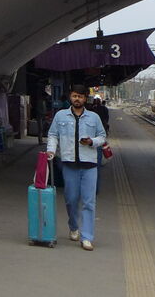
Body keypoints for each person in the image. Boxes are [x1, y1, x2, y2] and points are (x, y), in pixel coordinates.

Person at [46, 83, 106, 250]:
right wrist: (51, 150)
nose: (77, 99)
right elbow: (53, 135)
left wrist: (92, 141)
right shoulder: (60, 116)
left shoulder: (94, 117)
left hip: (90, 165)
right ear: (70, 97)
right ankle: (73, 226)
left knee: (89, 202)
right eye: (74, 96)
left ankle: (87, 237)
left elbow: (102, 136)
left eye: (80, 96)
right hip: (69, 164)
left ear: (85, 98)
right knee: (71, 199)